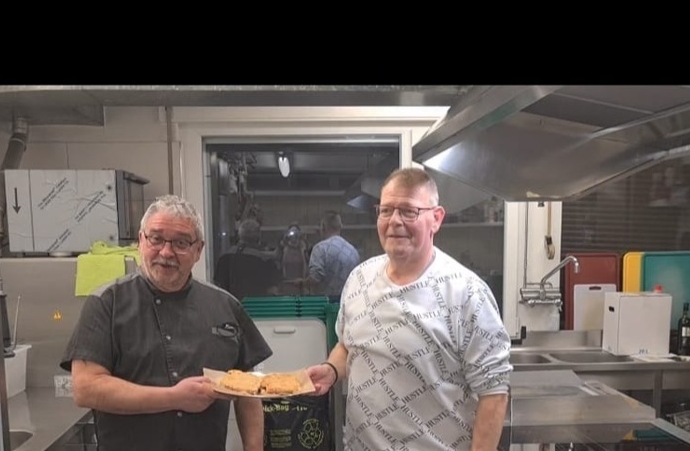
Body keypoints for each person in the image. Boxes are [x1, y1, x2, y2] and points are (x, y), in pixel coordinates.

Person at [306, 168, 512, 451]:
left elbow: (494, 393)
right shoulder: (359, 279)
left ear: (436, 219)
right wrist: (331, 369)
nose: (394, 221)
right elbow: (347, 345)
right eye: (386, 210)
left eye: (408, 211)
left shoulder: (467, 293)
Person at [60, 195, 273, 451]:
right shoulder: (107, 303)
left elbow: (248, 392)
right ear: (141, 241)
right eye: (156, 239)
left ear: (198, 250)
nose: (166, 252)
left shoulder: (226, 307)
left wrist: (254, 448)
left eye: (181, 243)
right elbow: (86, 388)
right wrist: (174, 398)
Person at [214, 218, 282, 298]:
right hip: (258, 305)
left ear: (239, 235)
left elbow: (218, 289)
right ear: (259, 237)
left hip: (230, 305)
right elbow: (273, 292)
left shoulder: (225, 259)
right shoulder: (266, 262)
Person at [301, 211, 361, 299]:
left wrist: (300, 283)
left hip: (325, 303)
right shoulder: (353, 251)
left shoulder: (320, 248)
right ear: (340, 226)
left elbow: (315, 279)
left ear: (323, 227)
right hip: (349, 301)